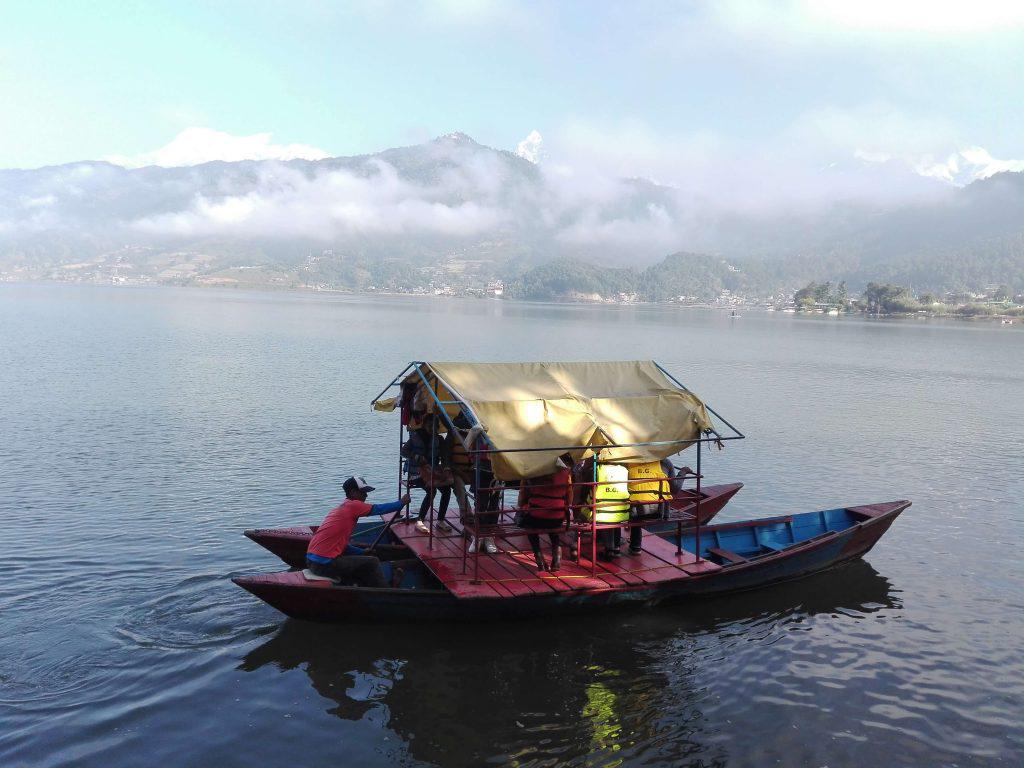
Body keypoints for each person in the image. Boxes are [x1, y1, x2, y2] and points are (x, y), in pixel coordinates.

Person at [306, 476, 411, 587]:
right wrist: (401, 503)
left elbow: (342, 546)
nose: (366, 495)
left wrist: (361, 552)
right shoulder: (353, 506)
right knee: (372, 562)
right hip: (324, 564)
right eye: (363, 492)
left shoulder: (339, 510)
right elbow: (378, 509)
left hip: (311, 561)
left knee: (362, 562)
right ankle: (388, 591)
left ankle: (366, 587)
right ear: (352, 493)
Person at [518, 458, 572, 571]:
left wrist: (522, 507)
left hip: (536, 515)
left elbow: (523, 493)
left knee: (529, 528)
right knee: (554, 530)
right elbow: (569, 495)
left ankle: (539, 559)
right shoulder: (565, 472)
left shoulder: (533, 470)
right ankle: (556, 559)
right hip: (557, 515)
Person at [402, 423, 453, 534]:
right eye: (430, 425)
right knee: (431, 491)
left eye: (434, 426)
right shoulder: (415, 438)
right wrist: (415, 456)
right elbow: (403, 451)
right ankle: (420, 519)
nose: (432, 428)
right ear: (425, 426)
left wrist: (446, 469)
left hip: (433, 472)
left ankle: (440, 520)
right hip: (416, 473)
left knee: (447, 489)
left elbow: (445, 456)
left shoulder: (439, 439)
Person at [626, 460, 671, 555]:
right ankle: (635, 546)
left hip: (633, 512)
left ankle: (631, 547)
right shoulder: (665, 463)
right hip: (659, 512)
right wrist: (682, 473)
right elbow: (675, 489)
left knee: (634, 505)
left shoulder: (627, 462)